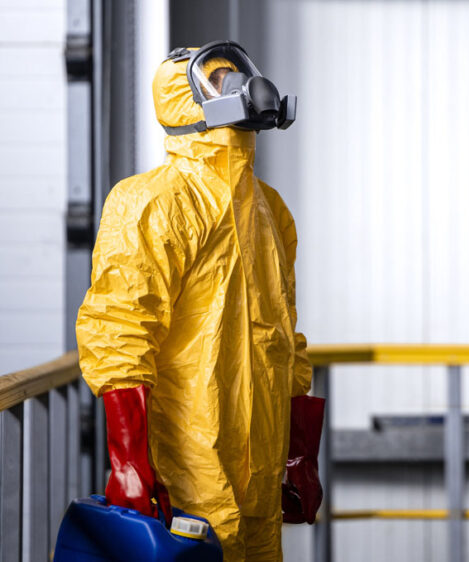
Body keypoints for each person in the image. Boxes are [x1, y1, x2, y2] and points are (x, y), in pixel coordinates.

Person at [76, 41, 310, 561]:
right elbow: (120, 331)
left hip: (263, 467)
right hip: (187, 462)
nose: (240, 89)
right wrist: (131, 465)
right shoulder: (150, 201)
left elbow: (285, 339)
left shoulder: (270, 209)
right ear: (185, 99)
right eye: (219, 79)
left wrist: (298, 453)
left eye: (236, 76)